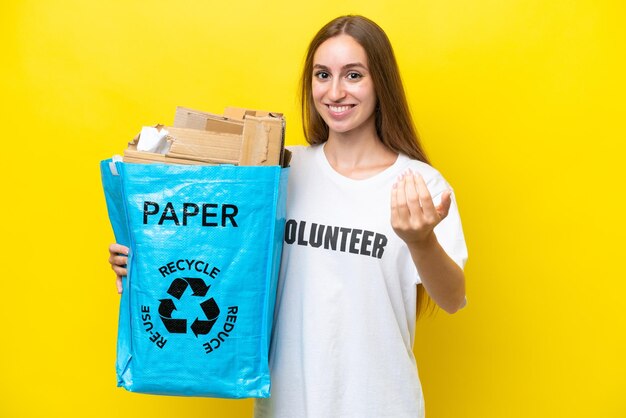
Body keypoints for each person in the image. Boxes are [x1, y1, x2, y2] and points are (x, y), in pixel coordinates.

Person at [109, 15, 467, 418]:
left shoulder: (419, 184)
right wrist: (145, 258)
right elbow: (218, 254)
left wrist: (421, 241)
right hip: (284, 406)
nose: (335, 91)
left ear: (380, 82)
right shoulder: (279, 172)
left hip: (381, 404)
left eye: (353, 75)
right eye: (322, 75)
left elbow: (452, 299)